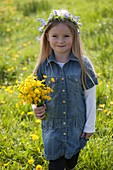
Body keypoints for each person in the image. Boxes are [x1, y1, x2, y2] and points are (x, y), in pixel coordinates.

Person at [32, 9, 98, 170]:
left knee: (71, 162)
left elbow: (90, 96)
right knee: (55, 164)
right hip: (53, 128)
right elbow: (34, 94)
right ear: (47, 37)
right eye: (55, 36)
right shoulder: (43, 66)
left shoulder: (83, 64)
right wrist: (35, 108)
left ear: (74, 37)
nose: (60, 41)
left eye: (66, 36)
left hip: (75, 127)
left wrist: (90, 126)